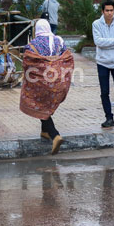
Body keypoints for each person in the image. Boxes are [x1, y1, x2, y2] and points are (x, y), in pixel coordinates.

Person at [20, 19, 73, 155]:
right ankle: (45, 132)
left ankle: (55, 135)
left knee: (39, 103)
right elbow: (67, 57)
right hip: (58, 81)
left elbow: (26, 63)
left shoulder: (32, 45)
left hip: (42, 83)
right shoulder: (59, 41)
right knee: (46, 105)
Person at [92, 0, 114, 128]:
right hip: (102, 62)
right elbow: (98, 42)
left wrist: (109, 42)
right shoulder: (96, 24)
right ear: (102, 11)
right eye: (107, 10)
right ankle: (108, 118)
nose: (109, 13)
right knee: (104, 91)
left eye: (111, 10)